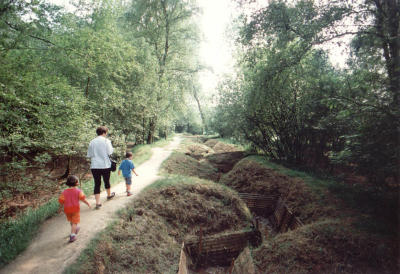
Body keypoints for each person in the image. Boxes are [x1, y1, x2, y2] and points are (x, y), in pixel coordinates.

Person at [87, 126, 115, 209]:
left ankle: (98, 203)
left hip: (95, 166)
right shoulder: (107, 141)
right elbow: (110, 152)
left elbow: (89, 155)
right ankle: (109, 195)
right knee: (107, 181)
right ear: (104, 132)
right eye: (106, 132)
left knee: (97, 183)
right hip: (105, 165)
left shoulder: (92, 142)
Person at [58, 175, 91, 242]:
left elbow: (61, 201)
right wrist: (88, 204)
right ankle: (72, 235)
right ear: (76, 183)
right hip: (75, 209)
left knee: (72, 221)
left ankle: (75, 229)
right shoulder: (78, 191)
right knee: (74, 222)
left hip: (67, 209)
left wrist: (60, 209)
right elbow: (83, 199)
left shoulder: (64, 192)